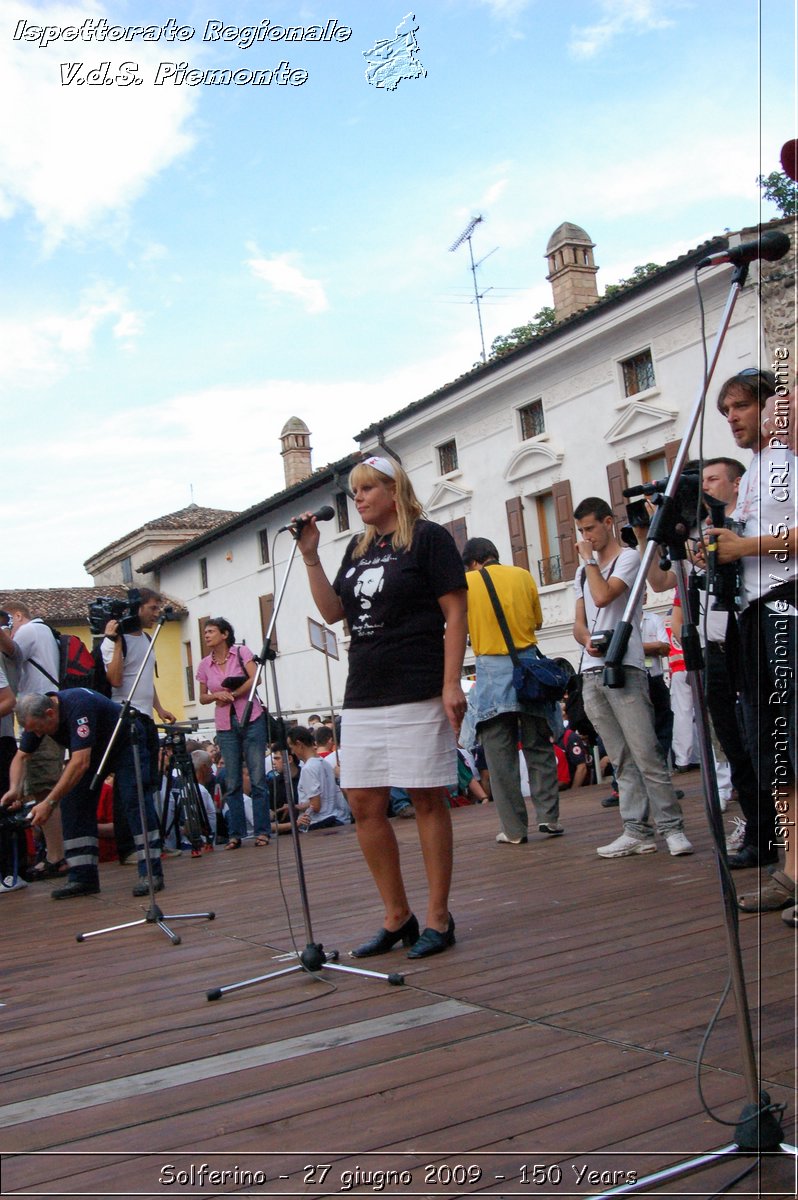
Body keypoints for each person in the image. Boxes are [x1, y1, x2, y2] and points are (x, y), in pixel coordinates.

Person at [294, 454, 468, 959]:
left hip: (417, 684)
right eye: (355, 491)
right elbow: (333, 611)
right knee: (364, 802)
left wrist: (451, 682)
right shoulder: (358, 547)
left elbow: (455, 611)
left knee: (425, 797)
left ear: (395, 491)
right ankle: (398, 915)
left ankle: (439, 916)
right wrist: (310, 556)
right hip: (365, 690)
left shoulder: (429, 538)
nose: (359, 498)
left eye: (368, 488)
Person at [711, 368, 797, 921]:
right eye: (726, 411)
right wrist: (720, 546)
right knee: (772, 745)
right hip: (752, 615)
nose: (734, 419)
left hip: (785, 605)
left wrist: (741, 547)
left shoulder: (786, 462)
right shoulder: (755, 475)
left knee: (789, 737)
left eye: (741, 406)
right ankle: (791, 867)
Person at [572, 497, 692, 858]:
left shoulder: (628, 558)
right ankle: (636, 830)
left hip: (625, 664)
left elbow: (604, 595)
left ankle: (672, 827)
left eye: (590, 528)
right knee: (620, 756)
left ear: (608, 522)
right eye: (580, 531)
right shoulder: (582, 571)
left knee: (646, 752)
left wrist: (591, 561)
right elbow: (580, 621)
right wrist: (586, 641)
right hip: (592, 670)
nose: (586, 537)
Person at [0, 691, 164, 898]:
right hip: (91, 751)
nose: (39, 735)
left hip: (123, 743)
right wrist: (14, 788)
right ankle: (82, 877)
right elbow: (21, 756)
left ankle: (151, 873)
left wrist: (49, 802)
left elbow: (80, 762)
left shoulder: (79, 707)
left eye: (40, 729)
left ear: (50, 713)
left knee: (134, 800)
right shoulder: (37, 718)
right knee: (73, 804)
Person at [460, 537, 562, 844]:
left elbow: (460, 626)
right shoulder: (522, 575)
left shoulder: (466, 583)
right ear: (494, 555)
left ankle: (515, 830)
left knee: (499, 758)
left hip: (491, 675)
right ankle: (548, 818)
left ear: (473, 563)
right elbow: (537, 624)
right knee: (539, 747)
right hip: (528, 671)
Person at [100, 588, 176, 863]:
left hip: (145, 716)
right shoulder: (112, 642)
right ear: (137, 608)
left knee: (148, 781)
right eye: (153, 608)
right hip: (124, 714)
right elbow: (116, 679)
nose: (157, 614)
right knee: (131, 783)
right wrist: (116, 641)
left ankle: (151, 843)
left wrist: (159, 707)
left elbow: (145, 676)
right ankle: (131, 846)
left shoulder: (146, 637)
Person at [0, 601, 66, 878]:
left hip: (39, 715)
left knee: (43, 788)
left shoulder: (28, 630)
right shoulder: (45, 633)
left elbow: (12, 652)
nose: (8, 630)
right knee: (44, 787)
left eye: (9, 624)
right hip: (44, 711)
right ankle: (54, 854)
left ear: (18, 616)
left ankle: (55, 856)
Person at [196, 618, 271, 849]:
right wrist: (217, 695)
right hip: (225, 723)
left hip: (250, 717)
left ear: (225, 634)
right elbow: (202, 696)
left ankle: (262, 831)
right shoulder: (204, 664)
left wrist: (235, 692)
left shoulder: (241, 652)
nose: (207, 635)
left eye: (211, 631)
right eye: (205, 632)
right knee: (232, 780)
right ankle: (235, 834)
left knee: (257, 778)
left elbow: (256, 677)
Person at [286, 726, 351, 829]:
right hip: (332, 818)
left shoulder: (308, 769)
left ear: (299, 744)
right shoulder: (325, 763)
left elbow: (315, 805)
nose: (292, 752)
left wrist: (295, 807)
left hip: (317, 823)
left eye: (291, 747)